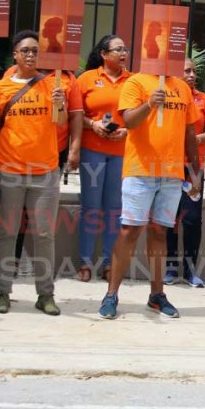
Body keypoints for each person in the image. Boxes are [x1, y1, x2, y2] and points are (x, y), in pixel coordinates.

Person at [98, 65, 202, 320]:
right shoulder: (135, 82)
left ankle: (157, 295)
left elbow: (190, 131)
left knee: (159, 231)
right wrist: (149, 104)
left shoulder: (182, 88)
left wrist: (195, 170)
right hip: (140, 170)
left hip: (172, 174)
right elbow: (129, 121)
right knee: (129, 230)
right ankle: (111, 294)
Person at [0, 31, 69, 316]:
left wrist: (61, 102)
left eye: (35, 50)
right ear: (15, 55)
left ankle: (45, 295)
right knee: (6, 235)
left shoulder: (52, 86)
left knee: (44, 236)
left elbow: (59, 123)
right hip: (8, 172)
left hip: (45, 174)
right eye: (25, 51)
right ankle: (2, 293)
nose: (31, 55)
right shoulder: (0, 90)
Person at [75, 35, 130, 283]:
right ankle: (84, 262)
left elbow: (139, 116)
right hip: (92, 150)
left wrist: (127, 131)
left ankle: (109, 263)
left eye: (125, 50)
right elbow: (75, 114)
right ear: (104, 54)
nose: (123, 53)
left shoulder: (133, 81)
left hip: (121, 151)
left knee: (114, 209)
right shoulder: (87, 79)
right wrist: (92, 124)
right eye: (118, 49)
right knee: (91, 207)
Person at [164, 58, 205, 287]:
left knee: (193, 219)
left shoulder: (203, 99)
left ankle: (190, 269)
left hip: (193, 168)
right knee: (169, 219)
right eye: (186, 71)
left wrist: (197, 140)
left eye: (193, 71)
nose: (192, 75)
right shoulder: (168, 96)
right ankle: (170, 267)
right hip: (170, 167)